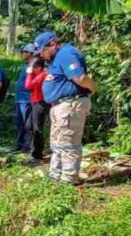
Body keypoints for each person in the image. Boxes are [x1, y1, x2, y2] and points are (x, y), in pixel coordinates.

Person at [35, 32, 97, 185]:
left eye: (43, 51)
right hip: (59, 106)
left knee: (68, 143)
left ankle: (69, 180)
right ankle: (56, 175)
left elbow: (80, 78)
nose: (41, 55)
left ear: (53, 44)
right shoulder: (57, 57)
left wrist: (94, 87)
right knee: (58, 143)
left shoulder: (67, 54)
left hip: (70, 105)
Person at [24, 56, 49, 165]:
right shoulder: (38, 74)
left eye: (32, 67)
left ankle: (36, 153)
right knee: (29, 126)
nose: (30, 69)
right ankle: (36, 150)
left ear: (38, 67)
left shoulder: (43, 75)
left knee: (37, 128)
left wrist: (29, 74)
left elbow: (28, 86)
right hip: (35, 102)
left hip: (41, 103)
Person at [14, 44, 35, 153]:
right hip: (20, 99)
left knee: (27, 124)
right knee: (19, 123)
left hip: (27, 99)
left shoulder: (34, 66)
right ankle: (19, 144)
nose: (22, 54)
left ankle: (28, 145)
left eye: (24, 52)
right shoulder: (25, 66)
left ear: (30, 54)